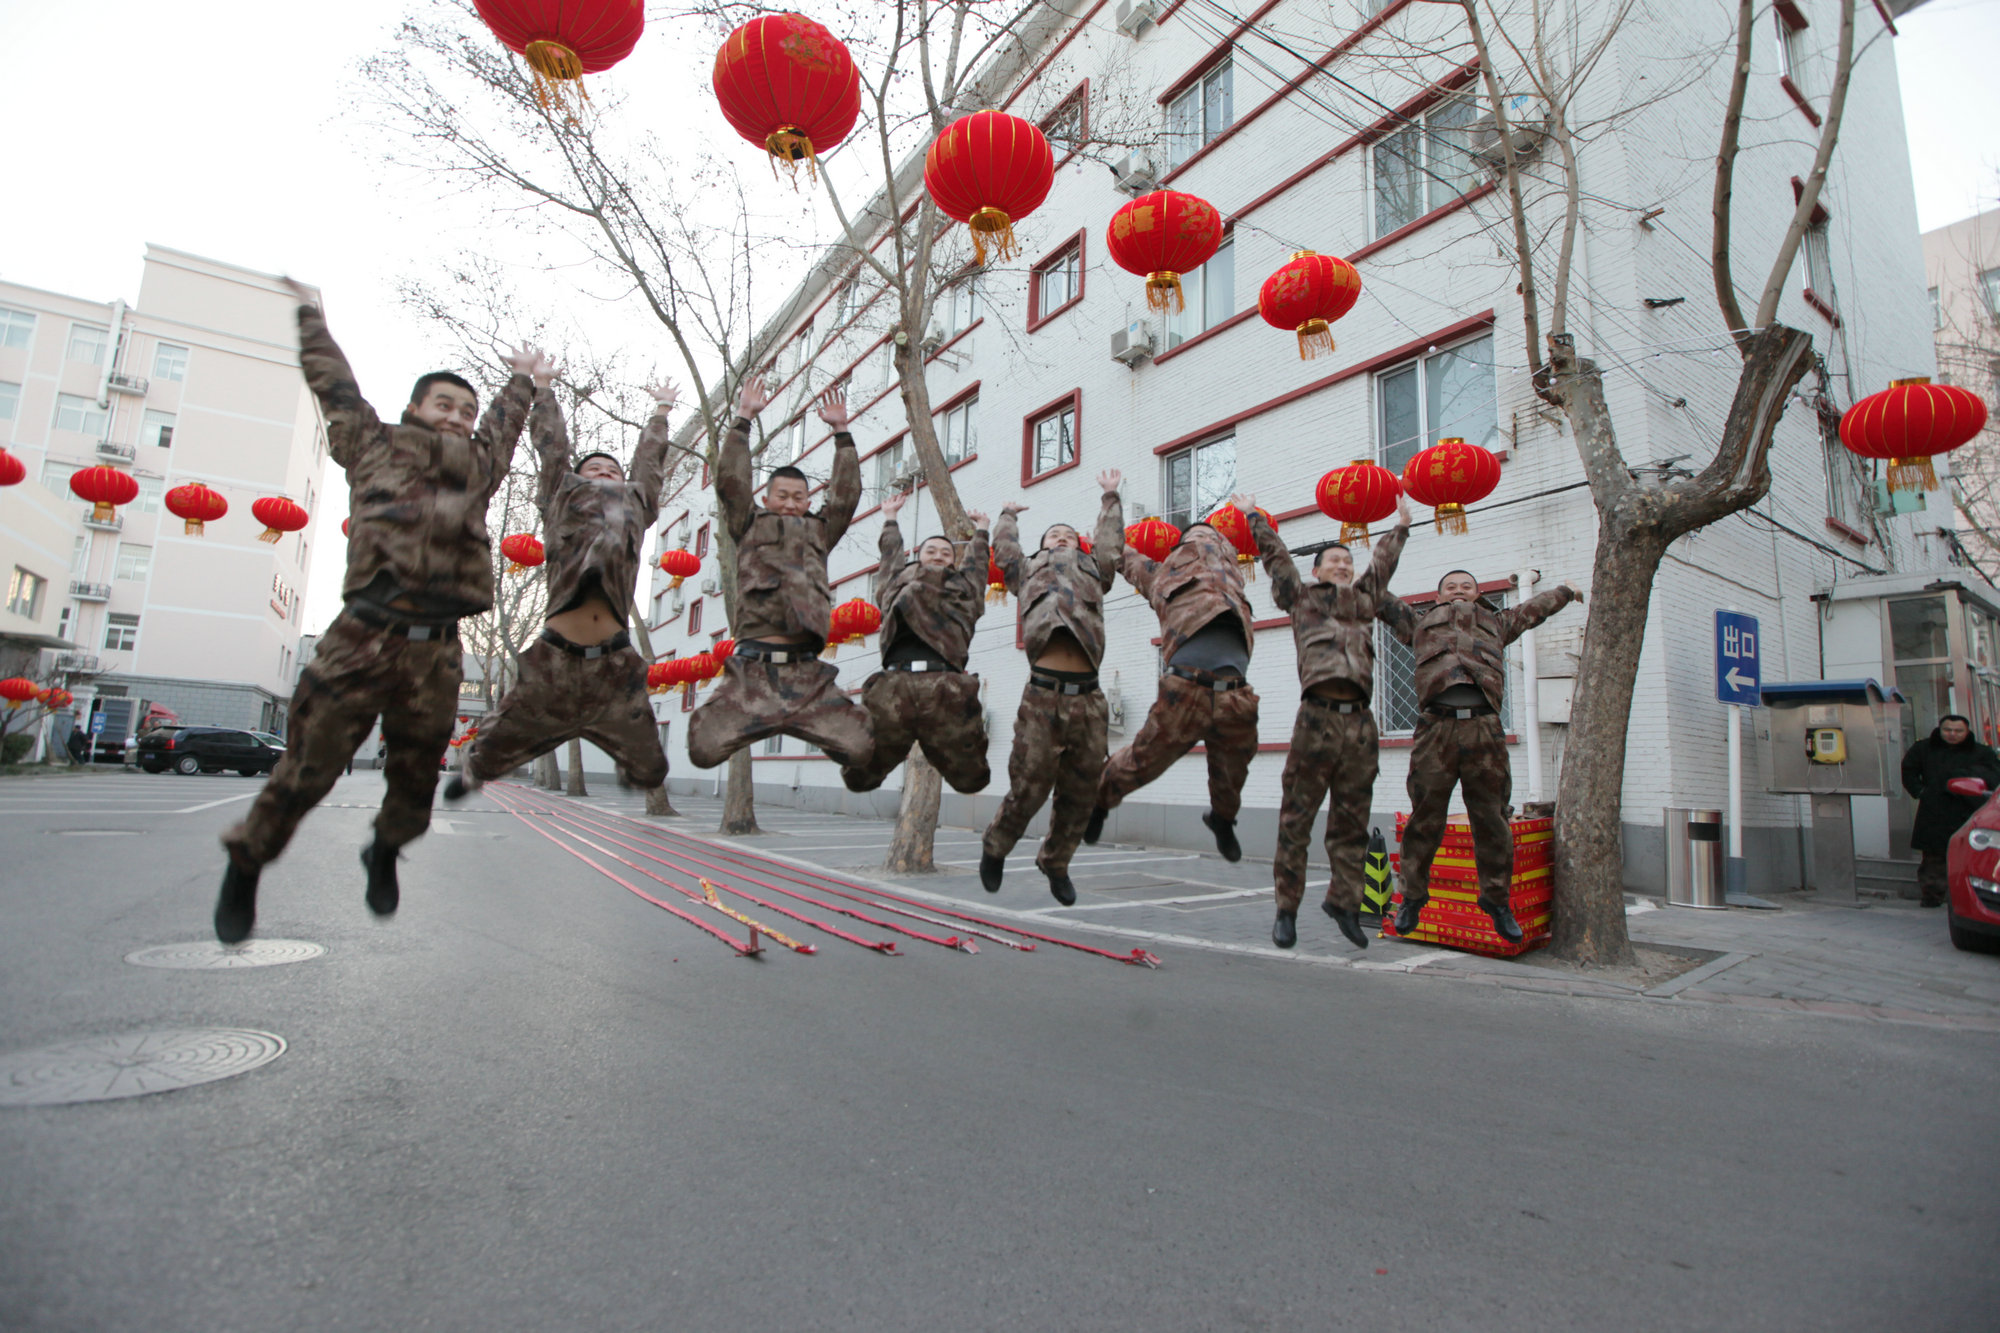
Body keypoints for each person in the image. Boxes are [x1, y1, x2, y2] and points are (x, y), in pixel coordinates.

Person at [214, 277, 541, 944]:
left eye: (466, 409)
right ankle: (248, 859)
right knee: (311, 764)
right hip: (365, 631)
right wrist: (313, 317)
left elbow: (507, 426)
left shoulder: (479, 466)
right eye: (444, 404)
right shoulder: (372, 442)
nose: (457, 416)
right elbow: (333, 384)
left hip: (438, 648)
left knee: (418, 772)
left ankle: (386, 848)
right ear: (415, 407)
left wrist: (522, 382)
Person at [444, 377, 678, 806]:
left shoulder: (636, 505)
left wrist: (661, 413)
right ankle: (476, 768)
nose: (606, 474)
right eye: (595, 470)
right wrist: (544, 389)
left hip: (614, 659)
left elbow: (648, 466)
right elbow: (552, 451)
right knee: (498, 740)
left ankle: (624, 753)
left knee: (651, 769)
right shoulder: (561, 497)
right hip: (557, 652)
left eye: (613, 471)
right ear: (575, 478)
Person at [1378, 570, 1581, 943]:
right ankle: (1412, 896)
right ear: (1438, 597)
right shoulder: (1418, 625)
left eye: (1466, 587)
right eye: (1450, 587)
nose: (1458, 591)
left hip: (1484, 730)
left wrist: (1566, 592)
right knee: (1424, 818)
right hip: (1435, 730)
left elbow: (1535, 608)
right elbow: (1378, 598)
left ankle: (1496, 900)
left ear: (1477, 595)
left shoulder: (1497, 623)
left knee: (1491, 820)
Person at [1252, 495, 1413, 950]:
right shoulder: (1301, 598)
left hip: (1360, 726)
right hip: (1316, 720)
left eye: (1348, 560)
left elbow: (1382, 566)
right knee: (1296, 820)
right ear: (1319, 570)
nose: (1343, 565)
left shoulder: (1366, 600)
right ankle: (1286, 909)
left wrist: (1400, 527)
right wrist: (1254, 519)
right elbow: (1279, 563)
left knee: (1351, 821)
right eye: (1334, 561)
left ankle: (1343, 903)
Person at [686, 379, 872, 770]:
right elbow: (732, 482)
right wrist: (743, 419)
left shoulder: (819, 531)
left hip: (807, 674)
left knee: (863, 750)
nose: (790, 503)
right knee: (702, 749)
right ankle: (762, 719)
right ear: (766, 499)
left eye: (799, 497)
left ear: (808, 501)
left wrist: (842, 433)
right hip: (752, 671)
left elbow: (846, 494)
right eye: (782, 496)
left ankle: (794, 720)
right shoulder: (749, 524)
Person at [1085, 497, 1260, 862]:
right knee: (1142, 762)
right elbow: (1120, 553)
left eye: (1211, 534)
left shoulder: (1234, 577)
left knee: (1233, 772)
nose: (1205, 539)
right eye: (1196, 534)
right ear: (1178, 549)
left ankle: (1222, 820)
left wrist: (1250, 514)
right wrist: (1109, 506)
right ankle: (1097, 801)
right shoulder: (1161, 575)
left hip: (1235, 693)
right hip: (1185, 689)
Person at [979, 471, 1126, 905]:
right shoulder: (1026, 571)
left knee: (1081, 791)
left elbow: (1109, 545)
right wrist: (1007, 515)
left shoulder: (1095, 570)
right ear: (1042, 547)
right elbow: (1004, 552)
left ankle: (1056, 861)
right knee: (1030, 785)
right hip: (1043, 694)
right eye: (1053, 535)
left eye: (1067, 535)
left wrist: (1110, 497)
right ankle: (996, 846)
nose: (1060, 538)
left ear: (1079, 545)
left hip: (1088, 696)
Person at [838, 487, 993, 795]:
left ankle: (940, 747)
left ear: (953, 561)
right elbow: (890, 558)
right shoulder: (897, 583)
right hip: (897, 681)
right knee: (858, 777)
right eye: (931, 551)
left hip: (945, 685)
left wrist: (982, 531)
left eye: (946, 553)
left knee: (972, 780)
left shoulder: (964, 587)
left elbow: (977, 565)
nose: (938, 555)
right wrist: (891, 518)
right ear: (919, 556)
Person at [1900, 714, 2000, 907]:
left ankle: (1969, 896)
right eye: (1948, 730)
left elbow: (1994, 776)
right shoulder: (1924, 749)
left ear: (1967, 731)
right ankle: (1932, 895)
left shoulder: (1982, 752)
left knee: (1970, 855)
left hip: (1969, 810)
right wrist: (1920, 792)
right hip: (1935, 809)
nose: (1952, 734)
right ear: (1940, 729)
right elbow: (1908, 770)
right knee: (1933, 857)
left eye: (1958, 731)